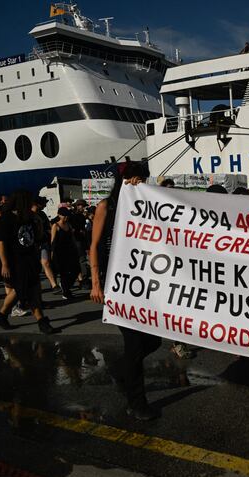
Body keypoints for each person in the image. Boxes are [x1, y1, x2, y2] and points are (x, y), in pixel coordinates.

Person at [90, 162, 162, 420]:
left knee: (153, 340)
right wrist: (96, 283)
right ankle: (137, 403)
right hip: (116, 285)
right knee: (133, 344)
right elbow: (94, 246)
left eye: (143, 179)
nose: (140, 183)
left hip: (140, 285)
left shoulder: (144, 206)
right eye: (136, 179)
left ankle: (121, 371)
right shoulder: (106, 206)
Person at [0, 189, 56, 334]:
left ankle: (1, 315)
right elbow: (1, 243)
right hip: (15, 260)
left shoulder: (29, 217)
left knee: (24, 289)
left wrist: (38, 222)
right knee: (27, 290)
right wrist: (5, 264)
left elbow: (37, 238)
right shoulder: (7, 218)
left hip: (29, 258)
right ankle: (41, 321)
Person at [51, 207, 81, 299]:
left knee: (76, 270)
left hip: (70, 251)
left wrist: (76, 248)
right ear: (59, 215)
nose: (66, 217)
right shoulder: (56, 226)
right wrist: (52, 254)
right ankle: (66, 292)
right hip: (60, 252)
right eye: (64, 215)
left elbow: (72, 238)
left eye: (67, 216)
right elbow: (52, 241)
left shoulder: (69, 225)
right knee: (63, 273)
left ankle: (65, 286)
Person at [33, 197, 58, 291]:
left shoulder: (42, 214)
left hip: (43, 242)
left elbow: (48, 226)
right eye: (43, 203)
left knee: (46, 263)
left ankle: (54, 285)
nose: (44, 205)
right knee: (35, 267)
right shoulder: (29, 214)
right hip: (33, 244)